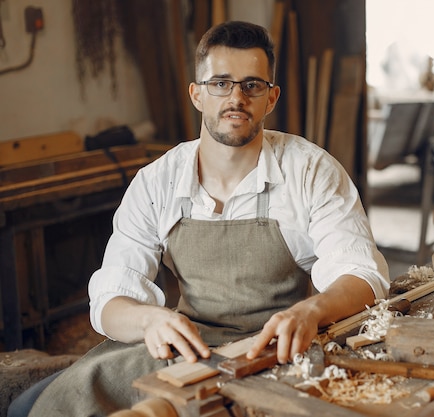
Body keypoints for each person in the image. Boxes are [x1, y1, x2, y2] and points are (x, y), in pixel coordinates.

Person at [10, 20, 389, 417]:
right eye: (220, 83)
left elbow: (362, 275)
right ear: (197, 95)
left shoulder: (310, 171)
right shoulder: (157, 181)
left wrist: (310, 311)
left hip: (274, 351)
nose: (236, 97)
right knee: (31, 408)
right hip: (184, 347)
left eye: (252, 85)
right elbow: (109, 300)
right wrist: (148, 321)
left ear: (271, 98)